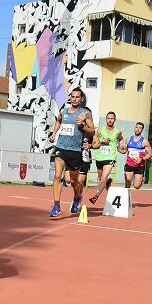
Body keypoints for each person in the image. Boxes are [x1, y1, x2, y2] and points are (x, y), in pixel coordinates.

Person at [47, 87, 95, 217]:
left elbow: (92, 131)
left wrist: (82, 126)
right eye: (72, 97)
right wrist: (54, 133)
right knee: (57, 176)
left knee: (74, 181)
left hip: (75, 151)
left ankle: (77, 197)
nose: (74, 99)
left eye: (77, 97)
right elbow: (58, 121)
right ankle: (56, 205)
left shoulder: (85, 114)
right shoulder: (64, 111)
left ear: (82, 99)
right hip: (61, 148)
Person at [89, 111, 122, 205]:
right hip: (100, 157)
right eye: (108, 118)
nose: (110, 120)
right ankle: (108, 182)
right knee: (101, 179)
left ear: (114, 120)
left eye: (112, 118)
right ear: (106, 119)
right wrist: (102, 140)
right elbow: (95, 141)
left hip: (110, 157)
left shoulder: (118, 131)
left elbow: (121, 139)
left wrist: (121, 146)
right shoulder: (100, 130)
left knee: (103, 177)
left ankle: (96, 196)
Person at [123, 122, 152, 190]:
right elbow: (124, 150)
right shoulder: (128, 139)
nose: (138, 129)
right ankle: (124, 199)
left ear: (142, 130)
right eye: (137, 127)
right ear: (134, 128)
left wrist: (142, 159)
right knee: (127, 183)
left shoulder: (144, 141)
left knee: (136, 186)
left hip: (139, 166)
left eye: (140, 128)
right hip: (129, 164)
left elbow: (150, 153)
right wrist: (119, 148)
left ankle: (142, 180)